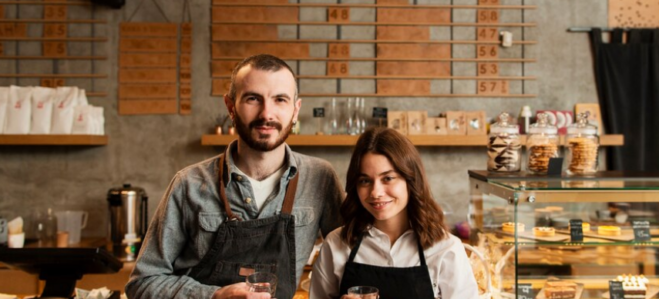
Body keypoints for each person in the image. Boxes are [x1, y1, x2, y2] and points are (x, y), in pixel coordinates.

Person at [126, 54, 344, 299]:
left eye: (280, 99)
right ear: (231, 107)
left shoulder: (320, 178)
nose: (266, 114)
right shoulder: (188, 184)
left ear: (295, 110)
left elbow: (351, 259)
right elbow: (142, 283)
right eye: (253, 98)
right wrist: (214, 296)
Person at [309, 127, 479, 299]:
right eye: (365, 180)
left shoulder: (446, 249)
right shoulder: (336, 244)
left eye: (388, 178)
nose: (376, 192)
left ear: (410, 180)